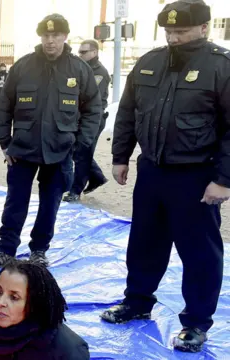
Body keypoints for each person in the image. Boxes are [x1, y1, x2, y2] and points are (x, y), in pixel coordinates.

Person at [101, 0, 230, 353]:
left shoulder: (221, 67)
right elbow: (127, 111)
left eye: (182, 31)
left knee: (200, 253)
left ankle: (196, 323)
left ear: (204, 28)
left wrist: (224, 179)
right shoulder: (149, 62)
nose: (174, 37)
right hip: (153, 171)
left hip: (196, 175)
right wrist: (120, 156)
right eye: (169, 31)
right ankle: (138, 302)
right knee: (144, 243)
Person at [0, 14, 101, 269]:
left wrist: (80, 143)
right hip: (23, 149)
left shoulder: (79, 69)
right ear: (40, 37)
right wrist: (4, 143)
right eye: (46, 36)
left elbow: (93, 108)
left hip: (60, 150)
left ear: (65, 37)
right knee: (15, 202)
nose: (50, 41)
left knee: (50, 205)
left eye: (56, 35)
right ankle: (5, 250)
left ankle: (39, 250)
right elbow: (4, 105)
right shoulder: (23, 66)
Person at [63, 39, 111, 202]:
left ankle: (75, 191)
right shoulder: (80, 68)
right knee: (79, 151)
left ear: (94, 52)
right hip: (77, 118)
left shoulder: (99, 73)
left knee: (82, 154)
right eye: (79, 52)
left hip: (92, 119)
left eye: (84, 52)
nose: (80, 55)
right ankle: (96, 177)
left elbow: (91, 98)